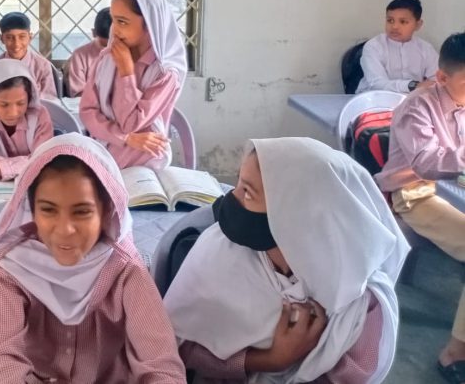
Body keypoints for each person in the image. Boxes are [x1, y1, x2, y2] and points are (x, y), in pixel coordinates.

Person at [0, 133, 187, 384]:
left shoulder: (125, 272)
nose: (65, 229)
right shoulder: (9, 270)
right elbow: (2, 359)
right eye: (48, 210)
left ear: (106, 210)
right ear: (31, 209)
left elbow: (160, 365)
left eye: (82, 211)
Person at [165, 137, 409, 384]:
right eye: (238, 183)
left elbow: (355, 376)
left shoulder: (361, 303)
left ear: (295, 215)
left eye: (247, 192)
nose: (230, 198)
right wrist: (272, 360)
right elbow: (183, 350)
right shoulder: (219, 251)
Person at [375, 32, 465, 384]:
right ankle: (453, 354)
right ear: (442, 77)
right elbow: (426, 162)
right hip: (413, 194)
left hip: (450, 190)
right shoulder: (418, 106)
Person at [80, 0, 187, 169]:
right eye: (113, 20)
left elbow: (131, 123)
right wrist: (125, 138)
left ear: (150, 23)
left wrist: (126, 72)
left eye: (122, 22)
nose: (115, 29)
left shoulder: (166, 73)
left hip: (144, 161)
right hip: (103, 155)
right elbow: (87, 112)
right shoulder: (106, 59)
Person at [356, 0, 439, 93]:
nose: (394, 27)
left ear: (418, 25)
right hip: (375, 101)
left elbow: (437, 79)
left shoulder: (426, 48)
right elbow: (377, 84)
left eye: (403, 22)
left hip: (412, 101)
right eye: (390, 20)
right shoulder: (373, 46)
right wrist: (412, 86)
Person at [0, 11, 57, 99]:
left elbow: (50, 102)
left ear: (30, 37)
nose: (16, 44)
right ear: (2, 39)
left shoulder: (42, 66)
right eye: (9, 37)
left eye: (22, 37)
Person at [66, 7, 112, 97]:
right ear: (94, 33)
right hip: (90, 106)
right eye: (104, 45)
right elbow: (78, 92)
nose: (108, 49)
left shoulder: (129, 53)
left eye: (113, 43)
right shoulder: (80, 55)